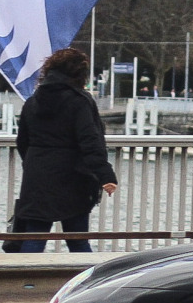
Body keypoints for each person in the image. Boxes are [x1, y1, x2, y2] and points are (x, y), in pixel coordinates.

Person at [12, 48, 117, 253]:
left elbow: (22, 141)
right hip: (73, 177)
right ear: (79, 73)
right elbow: (90, 142)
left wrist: (34, 164)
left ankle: (25, 282)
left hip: (38, 176)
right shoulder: (79, 101)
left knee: (34, 235)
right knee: (77, 238)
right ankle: (87, 283)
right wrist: (105, 175)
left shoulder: (33, 101)